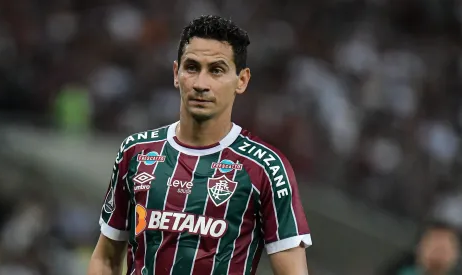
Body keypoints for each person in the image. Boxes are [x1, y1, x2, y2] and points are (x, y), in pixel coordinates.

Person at [87, 15, 312, 275]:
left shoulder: (266, 167)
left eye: (216, 70)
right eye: (192, 67)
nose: (200, 84)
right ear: (176, 73)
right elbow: (105, 259)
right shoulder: (136, 152)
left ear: (242, 80)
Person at [381, 221, 460, 275]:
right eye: (434, 246)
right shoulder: (400, 269)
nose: (438, 254)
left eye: (444, 249)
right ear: (419, 247)